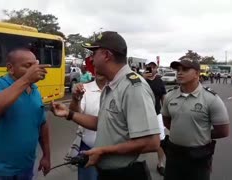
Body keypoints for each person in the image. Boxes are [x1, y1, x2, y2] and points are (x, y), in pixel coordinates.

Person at [51, 31, 161, 180]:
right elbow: (102, 123)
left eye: (94, 53)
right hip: (107, 173)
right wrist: (69, 114)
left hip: (125, 174)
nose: (91, 58)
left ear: (107, 55)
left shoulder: (134, 87)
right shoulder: (111, 86)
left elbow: (151, 142)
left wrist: (103, 151)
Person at [0, 48, 51, 180]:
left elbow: (42, 124)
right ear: (10, 68)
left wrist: (46, 156)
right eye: (28, 66)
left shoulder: (35, 90)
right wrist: (26, 79)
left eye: (35, 65)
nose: (34, 70)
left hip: (26, 168)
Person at [162, 58, 230, 180]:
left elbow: (223, 131)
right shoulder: (169, 96)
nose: (180, 72)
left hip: (198, 156)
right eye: (178, 69)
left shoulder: (211, 99)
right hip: (174, 154)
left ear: (197, 74)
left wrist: (199, 134)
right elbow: (167, 122)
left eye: (185, 69)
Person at [67, 69, 107, 180]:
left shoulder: (118, 88)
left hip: (112, 152)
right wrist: (76, 99)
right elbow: (76, 114)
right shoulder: (85, 88)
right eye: (96, 66)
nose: (99, 69)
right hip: (88, 149)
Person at [142, 59, 167, 176]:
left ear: (156, 68)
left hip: (156, 114)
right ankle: (138, 163)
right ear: (146, 67)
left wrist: (166, 112)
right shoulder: (140, 80)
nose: (151, 68)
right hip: (141, 115)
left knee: (161, 140)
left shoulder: (159, 81)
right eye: (149, 66)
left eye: (153, 66)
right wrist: (143, 78)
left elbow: (163, 97)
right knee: (138, 140)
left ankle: (160, 164)